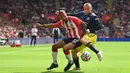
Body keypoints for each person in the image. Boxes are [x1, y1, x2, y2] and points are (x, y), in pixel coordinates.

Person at [64, 3, 103, 70]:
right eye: (85, 9)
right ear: (83, 9)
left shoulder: (93, 16)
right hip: (84, 36)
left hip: (92, 35)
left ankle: (98, 52)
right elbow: (73, 15)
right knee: (73, 51)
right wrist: (63, 13)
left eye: (88, 9)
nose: (86, 10)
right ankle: (77, 67)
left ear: (91, 9)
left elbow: (99, 27)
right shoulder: (81, 14)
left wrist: (90, 29)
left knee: (82, 39)